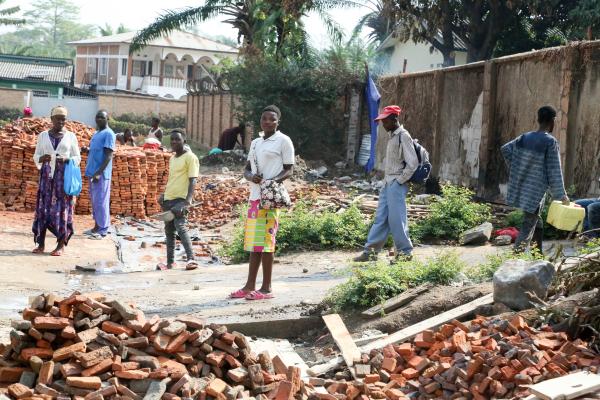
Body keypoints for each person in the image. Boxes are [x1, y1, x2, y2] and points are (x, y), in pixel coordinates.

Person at [230, 105, 294, 300]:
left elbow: (289, 169)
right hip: (255, 197)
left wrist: (272, 181)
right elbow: (247, 169)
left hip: (270, 199)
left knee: (266, 244)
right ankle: (249, 286)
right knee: (254, 243)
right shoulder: (256, 142)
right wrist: (251, 177)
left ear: (278, 122)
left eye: (272, 119)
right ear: (260, 121)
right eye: (264, 118)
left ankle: (266, 289)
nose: (267, 122)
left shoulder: (284, 141)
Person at [353, 105, 418, 263]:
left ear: (394, 119)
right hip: (388, 183)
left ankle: (405, 253)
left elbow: (413, 163)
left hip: (396, 184)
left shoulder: (404, 136)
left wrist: (400, 181)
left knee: (397, 220)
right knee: (381, 218)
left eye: (385, 120)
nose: (383, 124)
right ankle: (370, 252)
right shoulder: (393, 136)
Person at [501, 105, 569, 252]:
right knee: (528, 226)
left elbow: (505, 149)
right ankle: (514, 261)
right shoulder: (550, 142)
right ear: (553, 121)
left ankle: (538, 253)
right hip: (535, 191)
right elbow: (554, 170)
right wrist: (562, 195)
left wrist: (518, 168)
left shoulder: (524, 138)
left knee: (536, 220)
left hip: (523, 186)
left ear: (538, 120)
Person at [31, 106, 80, 256]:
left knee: (61, 209)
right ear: (51, 119)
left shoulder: (71, 136)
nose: (60, 121)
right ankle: (41, 244)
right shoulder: (43, 136)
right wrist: (42, 158)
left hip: (62, 180)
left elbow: (77, 157)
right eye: (57, 118)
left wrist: (67, 159)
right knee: (43, 209)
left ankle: (60, 245)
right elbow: (36, 155)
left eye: (63, 119)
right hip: (47, 178)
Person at [157, 130, 199, 270]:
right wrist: (164, 195)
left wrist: (186, 202)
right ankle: (170, 263)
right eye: (172, 139)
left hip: (180, 200)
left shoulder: (191, 158)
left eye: (178, 140)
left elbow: (193, 180)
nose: (174, 142)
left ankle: (191, 259)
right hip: (168, 200)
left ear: (184, 142)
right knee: (169, 232)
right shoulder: (172, 158)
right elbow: (172, 179)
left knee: (181, 227)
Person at [83, 110, 116, 240]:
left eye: (102, 117)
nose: (99, 119)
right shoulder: (97, 133)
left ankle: (103, 230)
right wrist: (87, 150)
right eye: (97, 117)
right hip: (92, 172)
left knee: (101, 202)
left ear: (107, 119)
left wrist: (98, 173)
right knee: (95, 202)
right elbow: (97, 151)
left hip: (101, 174)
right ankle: (96, 227)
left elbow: (108, 155)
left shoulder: (109, 134)